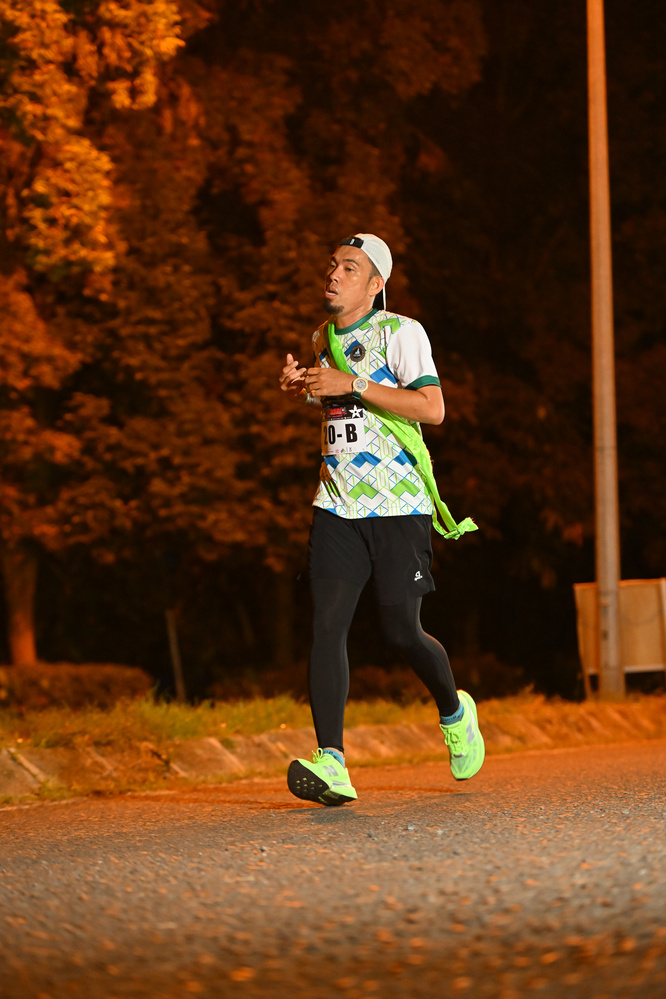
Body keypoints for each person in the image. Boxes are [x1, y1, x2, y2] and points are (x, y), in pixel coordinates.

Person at [279, 233, 484, 806]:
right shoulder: (321, 338)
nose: (334, 274)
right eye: (333, 265)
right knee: (327, 625)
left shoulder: (402, 333)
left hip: (398, 504)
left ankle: (455, 712)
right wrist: (302, 388)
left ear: (375, 285)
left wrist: (353, 383)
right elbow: (338, 405)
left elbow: (432, 409)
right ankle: (332, 761)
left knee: (401, 632)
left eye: (350, 268)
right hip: (337, 503)